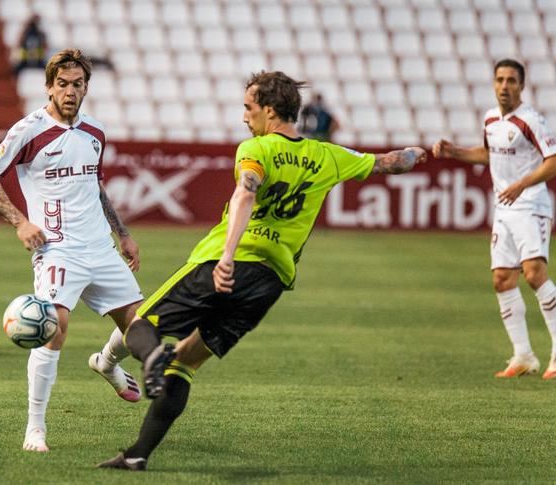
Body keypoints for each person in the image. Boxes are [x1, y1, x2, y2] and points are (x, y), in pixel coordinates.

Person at [97, 71, 427, 471]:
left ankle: (150, 360)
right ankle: (136, 456)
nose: (243, 117)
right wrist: (417, 152)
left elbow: (245, 193)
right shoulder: (327, 155)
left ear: (269, 110)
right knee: (185, 362)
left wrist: (227, 256)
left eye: (248, 108)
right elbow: (392, 163)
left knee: (140, 330)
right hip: (269, 281)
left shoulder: (257, 149)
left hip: (226, 262)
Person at [0, 48, 145, 453]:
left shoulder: (95, 133)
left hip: (100, 248)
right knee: (53, 328)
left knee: (140, 330)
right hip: (57, 250)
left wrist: (122, 234)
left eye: (78, 84)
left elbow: (95, 185)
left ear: (86, 87)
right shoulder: (28, 130)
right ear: (49, 86)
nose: (70, 91)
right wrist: (21, 222)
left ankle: (106, 362)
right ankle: (35, 429)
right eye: (63, 84)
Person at [432, 58, 556, 379]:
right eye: (500, 80)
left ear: (522, 86)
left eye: (511, 81)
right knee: (502, 279)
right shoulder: (490, 119)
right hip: (505, 209)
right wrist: (453, 151)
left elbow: (553, 162)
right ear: (493, 83)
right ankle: (523, 356)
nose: (504, 86)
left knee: (534, 274)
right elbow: (488, 153)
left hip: (531, 204)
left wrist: (521, 184)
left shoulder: (531, 121)